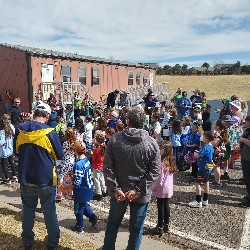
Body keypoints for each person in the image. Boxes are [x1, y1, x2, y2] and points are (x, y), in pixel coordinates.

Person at [102, 109, 161, 250]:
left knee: (113, 223)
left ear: (127, 122)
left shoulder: (115, 139)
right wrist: (139, 190)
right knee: (136, 228)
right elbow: (154, 172)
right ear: (144, 123)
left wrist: (114, 188)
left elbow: (108, 167)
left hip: (120, 192)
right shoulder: (152, 144)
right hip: (139, 194)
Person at [14, 103, 64, 250]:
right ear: (47, 116)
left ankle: (28, 241)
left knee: (28, 210)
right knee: (49, 212)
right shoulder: (50, 132)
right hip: (46, 178)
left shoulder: (20, 130)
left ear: (34, 113)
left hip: (26, 176)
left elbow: (16, 151)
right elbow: (59, 155)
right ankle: (53, 242)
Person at [70, 140, 99, 233]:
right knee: (84, 204)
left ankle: (79, 226)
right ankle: (93, 218)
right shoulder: (86, 159)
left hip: (81, 190)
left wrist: (68, 186)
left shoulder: (78, 164)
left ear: (75, 151)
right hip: (88, 187)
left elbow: (77, 182)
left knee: (78, 208)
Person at [150, 141, 177, 236]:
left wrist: (154, 188)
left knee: (160, 206)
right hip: (168, 188)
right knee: (166, 205)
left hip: (161, 188)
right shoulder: (170, 161)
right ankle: (166, 224)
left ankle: (159, 226)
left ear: (164, 150)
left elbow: (160, 178)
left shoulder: (162, 163)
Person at [188, 131, 214, 208]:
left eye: (203, 136)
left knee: (197, 183)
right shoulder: (210, 146)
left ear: (206, 138)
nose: (201, 137)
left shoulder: (205, 147)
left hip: (203, 169)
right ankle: (205, 199)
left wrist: (194, 152)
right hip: (208, 168)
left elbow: (197, 156)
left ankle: (198, 201)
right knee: (206, 182)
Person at [0, 115, 18, 184]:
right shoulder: (10, 129)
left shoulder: (2, 131)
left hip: (4, 151)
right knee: (11, 163)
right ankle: (14, 177)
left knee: (4, 165)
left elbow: (2, 142)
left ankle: (7, 179)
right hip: (10, 150)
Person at [92, 133, 107, 201]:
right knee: (102, 178)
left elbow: (94, 158)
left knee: (96, 180)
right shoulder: (105, 147)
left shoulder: (96, 149)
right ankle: (104, 190)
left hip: (97, 166)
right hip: (103, 165)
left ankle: (98, 193)